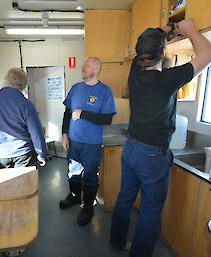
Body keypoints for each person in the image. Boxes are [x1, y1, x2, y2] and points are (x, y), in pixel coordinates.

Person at [110, 19, 211, 257]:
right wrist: (188, 30)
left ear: (140, 55)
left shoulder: (134, 72)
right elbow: (207, 54)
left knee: (125, 198)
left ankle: (117, 243)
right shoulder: (167, 80)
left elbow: (148, 46)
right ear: (164, 52)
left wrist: (168, 31)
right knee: (150, 210)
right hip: (152, 155)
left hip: (131, 148)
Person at [59, 57, 117, 226]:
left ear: (97, 68)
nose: (83, 67)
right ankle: (75, 196)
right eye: (83, 64)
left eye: (87, 64)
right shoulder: (76, 88)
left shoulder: (105, 91)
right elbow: (67, 113)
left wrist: (83, 114)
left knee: (90, 176)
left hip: (91, 144)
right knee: (73, 171)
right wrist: (64, 134)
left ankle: (88, 207)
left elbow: (107, 119)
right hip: (73, 141)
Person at [0, 68, 47, 168]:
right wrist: (41, 155)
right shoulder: (27, 105)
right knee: (24, 183)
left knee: (6, 183)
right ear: (23, 85)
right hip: (24, 154)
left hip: (1, 154)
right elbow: (36, 133)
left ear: (7, 81)